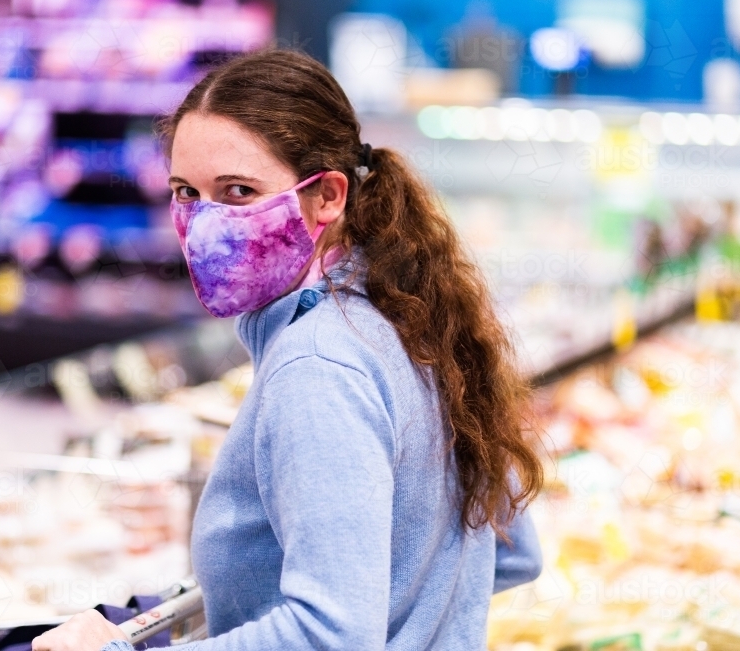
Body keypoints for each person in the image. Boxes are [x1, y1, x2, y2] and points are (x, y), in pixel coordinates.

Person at [33, 49, 543, 651]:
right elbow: (512, 553)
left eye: (239, 191)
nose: (204, 222)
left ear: (327, 195)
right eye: (186, 193)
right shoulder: (409, 315)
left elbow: (332, 634)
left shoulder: (318, 366)